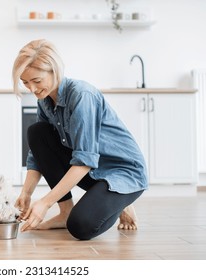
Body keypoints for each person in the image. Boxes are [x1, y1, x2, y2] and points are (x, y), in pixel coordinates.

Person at [12, 39, 148, 240]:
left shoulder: (82, 96)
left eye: (37, 81)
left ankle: (122, 200)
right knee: (37, 132)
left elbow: (84, 160)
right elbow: (38, 153)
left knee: (80, 226)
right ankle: (65, 211)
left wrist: (45, 202)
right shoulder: (45, 99)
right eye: (25, 82)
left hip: (122, 172)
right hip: (93, 170)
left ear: (54, 71)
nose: (31, 89)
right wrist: (26, 193)